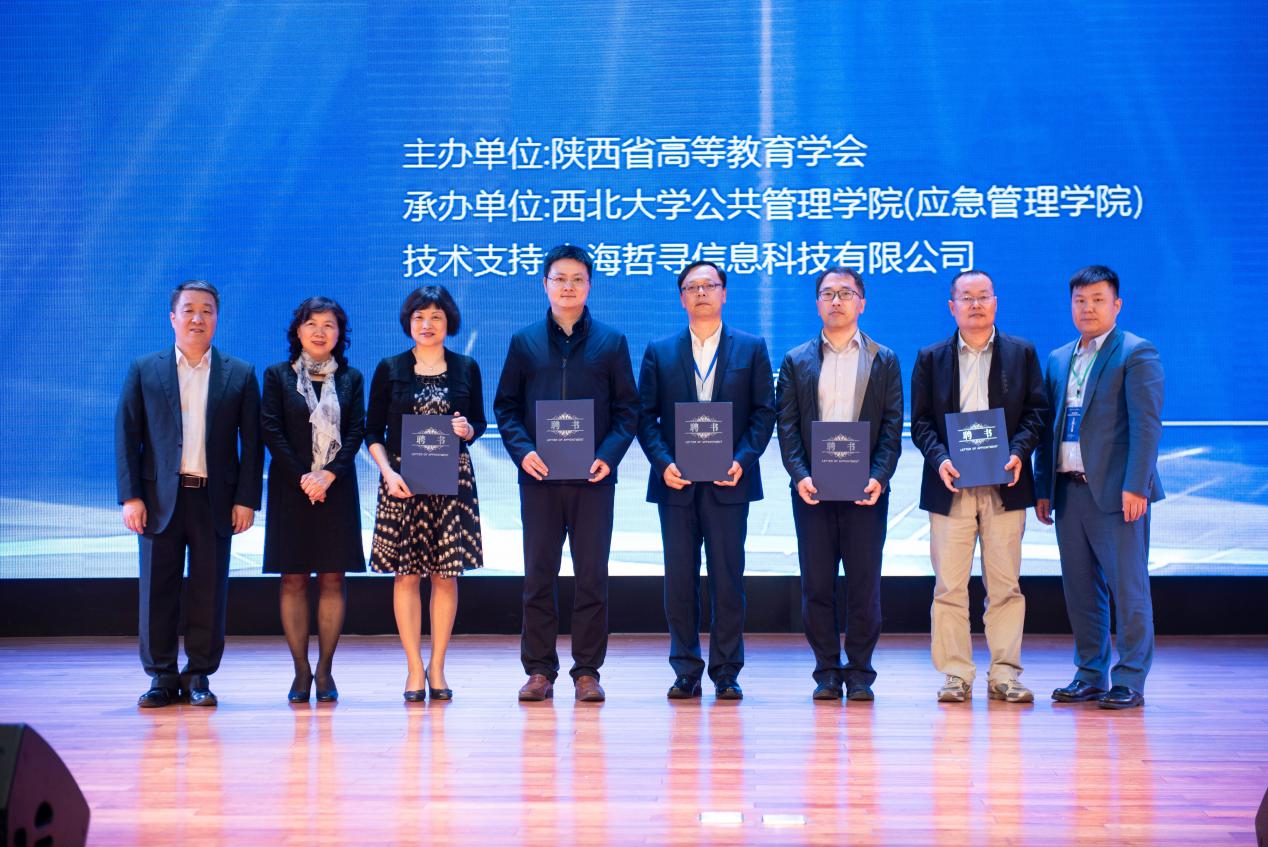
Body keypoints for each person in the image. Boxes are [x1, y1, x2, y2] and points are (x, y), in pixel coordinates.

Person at [494, 244, 639, 703]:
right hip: (539, 479)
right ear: (545, 285)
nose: (568, 286)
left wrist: (608, 456)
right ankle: (539, 670)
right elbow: (506, 407)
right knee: (538, 575)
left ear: (589, 285)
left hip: (593, 480)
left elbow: (628, 410)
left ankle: (587, 671)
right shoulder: (524, 342)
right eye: (560, 278)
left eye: (577, 279)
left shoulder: (611, 342)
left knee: (592, 576)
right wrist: (523, 452)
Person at [115, 280, 262, 708]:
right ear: (173, 317)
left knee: (208, 590)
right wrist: (131, 497)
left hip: (214, 499)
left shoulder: (239, 373)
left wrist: (246, 499)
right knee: (156, 589)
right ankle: (161, 675)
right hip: (159, 499)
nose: (198, 318)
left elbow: (252, 445)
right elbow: (127, 436)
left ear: (217, 318)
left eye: (207, 310)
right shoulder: (145, 369)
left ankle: (199, 674)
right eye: (189, 309)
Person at [636, 261, 775, 700]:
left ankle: (727, 671)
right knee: (679, 582)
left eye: (709, 285)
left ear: (724, 293)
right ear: (681, 298)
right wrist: (663, 463)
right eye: (692, 287)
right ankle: (685, 669)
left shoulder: (751, 348)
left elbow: (764, 413)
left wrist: (741, 460)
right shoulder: (659, 351)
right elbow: (645, 416)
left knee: (727, 580)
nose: (701, 293)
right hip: (676, 484)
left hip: (729, 483)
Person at [909, 270, 1047, 704]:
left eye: (983, 296)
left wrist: (1019, 451)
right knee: (949, 587)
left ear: (995, 303)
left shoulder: (1021, 353)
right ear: (952, 307)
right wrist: (941, 459)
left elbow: (1037, 412)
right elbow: (921, 422)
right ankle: (956, 674)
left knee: (1005, 585)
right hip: (950, 485)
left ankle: (1005, 673)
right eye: (966, 297)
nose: (975, 304)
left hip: (1005, 483)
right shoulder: (931, 357)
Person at [1034, 265, 1164, 710]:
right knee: (1081, 590)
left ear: (1116, 305)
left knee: (1129, 589)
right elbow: (1048, 429)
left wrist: (1137, 486)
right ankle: (1090, 673)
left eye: (1097, 300)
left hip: (1117, 493)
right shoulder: (1059, 358)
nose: (1087, 308)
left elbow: (1147, 426)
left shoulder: (1136, 352)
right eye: (1080, 301)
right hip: (1068, 491)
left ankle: (1129, 678)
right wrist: (1043, 487)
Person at [776, 267, 902, 702]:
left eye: (845, 293)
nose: (836, 301)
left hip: (866, 491)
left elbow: (892, 426)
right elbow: (787, 426)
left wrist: (878, 477)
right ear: (817, 304)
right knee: (817, 585)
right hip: (812, 490)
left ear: (861, 302)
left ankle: (861, 671)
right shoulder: (796, 360)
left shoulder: (884, 358)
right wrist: (800, 475)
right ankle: (827, 671)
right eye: (828, 294)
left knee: (864, 586)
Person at [366, 285, 485, 703]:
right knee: (406, 575)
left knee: (445, 575)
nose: (427, 324)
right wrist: (387, 472)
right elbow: (372, 431)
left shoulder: (466, 367)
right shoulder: (391, 368)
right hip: (402, 482)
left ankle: (437, 666)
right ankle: (414, 668)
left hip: (452, 480)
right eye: (419, 316)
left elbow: (479, 424)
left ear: (449, 322)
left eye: (436, 316)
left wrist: (467, 430)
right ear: (408, 323)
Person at [260, 297, 365, 704]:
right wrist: (304, 477)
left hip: (336, 489)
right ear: (298, 331)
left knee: (333, 578)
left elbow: (355, 431)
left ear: (340, 334)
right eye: (311, 324)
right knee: (293, 578)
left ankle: (325, 669)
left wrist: (328, 474)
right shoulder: (277, 376)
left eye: (329, 325)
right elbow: (271, 430)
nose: (320, 332)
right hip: (292, 489)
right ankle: (301, 670)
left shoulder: (352, 379)